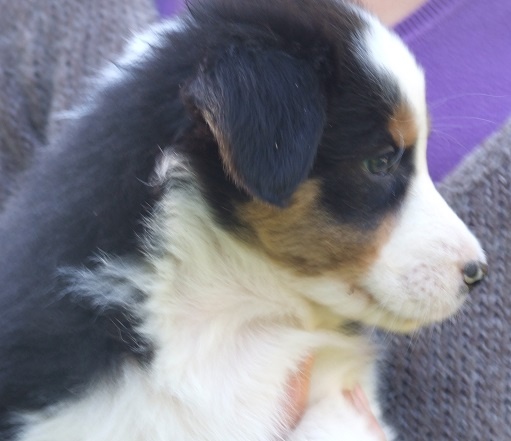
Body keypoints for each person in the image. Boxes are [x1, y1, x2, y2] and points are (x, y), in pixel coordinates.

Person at [1, 0, 509, 439]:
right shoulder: (44, 384)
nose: (469, 254)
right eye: (382, 162)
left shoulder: (326, 372)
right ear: (249, 139)